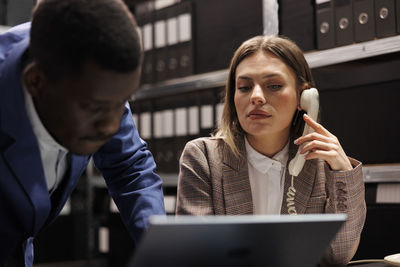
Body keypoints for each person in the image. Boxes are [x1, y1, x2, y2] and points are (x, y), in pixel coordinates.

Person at [176, 35, 366, 266]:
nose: (256, 97)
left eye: (274, 85)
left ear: (303, 97)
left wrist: (343, 173)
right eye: (244, 87)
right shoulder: (203, 158)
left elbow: (338, 256)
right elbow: (198, 255)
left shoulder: (321, 161)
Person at [0, 0, 165, 266]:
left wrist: (160, 249)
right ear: (36, 82)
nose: (111, 126)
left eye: (121, 103)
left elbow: (130, 167)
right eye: (94, 108)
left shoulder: (99, 85)